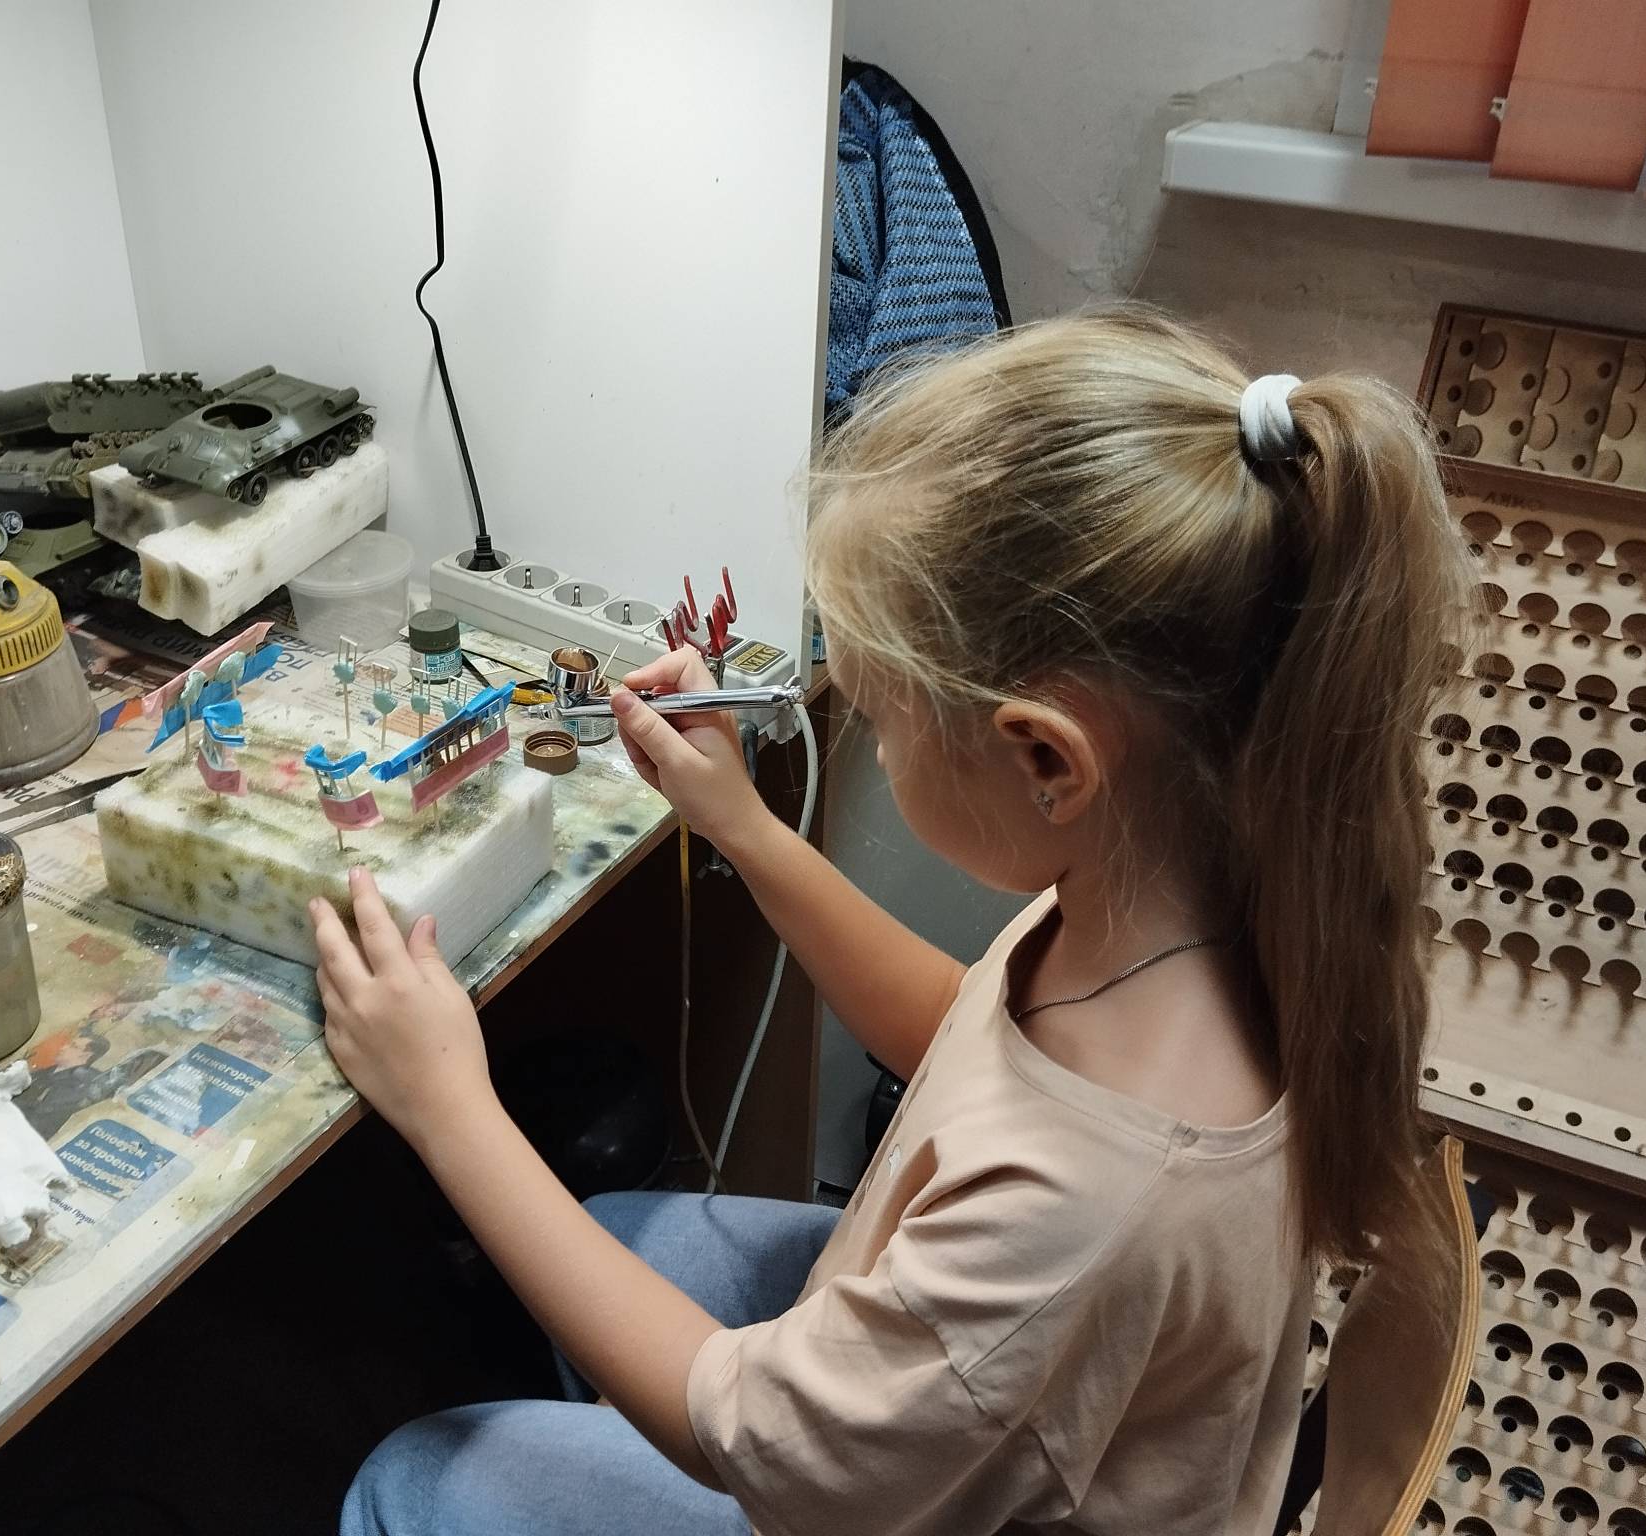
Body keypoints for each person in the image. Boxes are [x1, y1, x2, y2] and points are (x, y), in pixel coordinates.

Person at [313, 304, 1471, 1535]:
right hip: (984, 1372)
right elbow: (964, 1037)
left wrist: (447, 1106)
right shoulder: (1179, 895)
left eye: (881, 714)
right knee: (608, 1236)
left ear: (1047, 758)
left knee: (412, 1479)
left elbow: (734, 1428)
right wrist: (745, 828)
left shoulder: (1084, 1206)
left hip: (891, 1465)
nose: (871, 733)